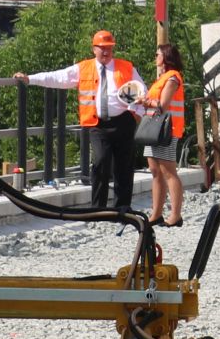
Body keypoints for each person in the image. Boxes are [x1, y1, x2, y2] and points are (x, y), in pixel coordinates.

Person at [16, 29, 142, 212]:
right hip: (97, 123)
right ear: (94, 49)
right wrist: (30, 79)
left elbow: (141, 90)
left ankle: (122, 208)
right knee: (101, 161)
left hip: (123, 121)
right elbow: (57, 77)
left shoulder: (126, 67)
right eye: (102, 48)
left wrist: (136, 113)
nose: (106, 52)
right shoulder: (83, 68)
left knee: (124, 165)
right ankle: (97, 208)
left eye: (109, 48)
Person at [142, 44, 188, 227]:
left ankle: (175, 215)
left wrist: (144, 102)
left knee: (169, 172)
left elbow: (163, 105)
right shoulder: (162, 78)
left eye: (157, 54)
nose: (155, 57)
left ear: (165, 57)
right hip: (155, 128)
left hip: (167, 130)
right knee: (155, 172)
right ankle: (156, 214)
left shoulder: (172, 77)